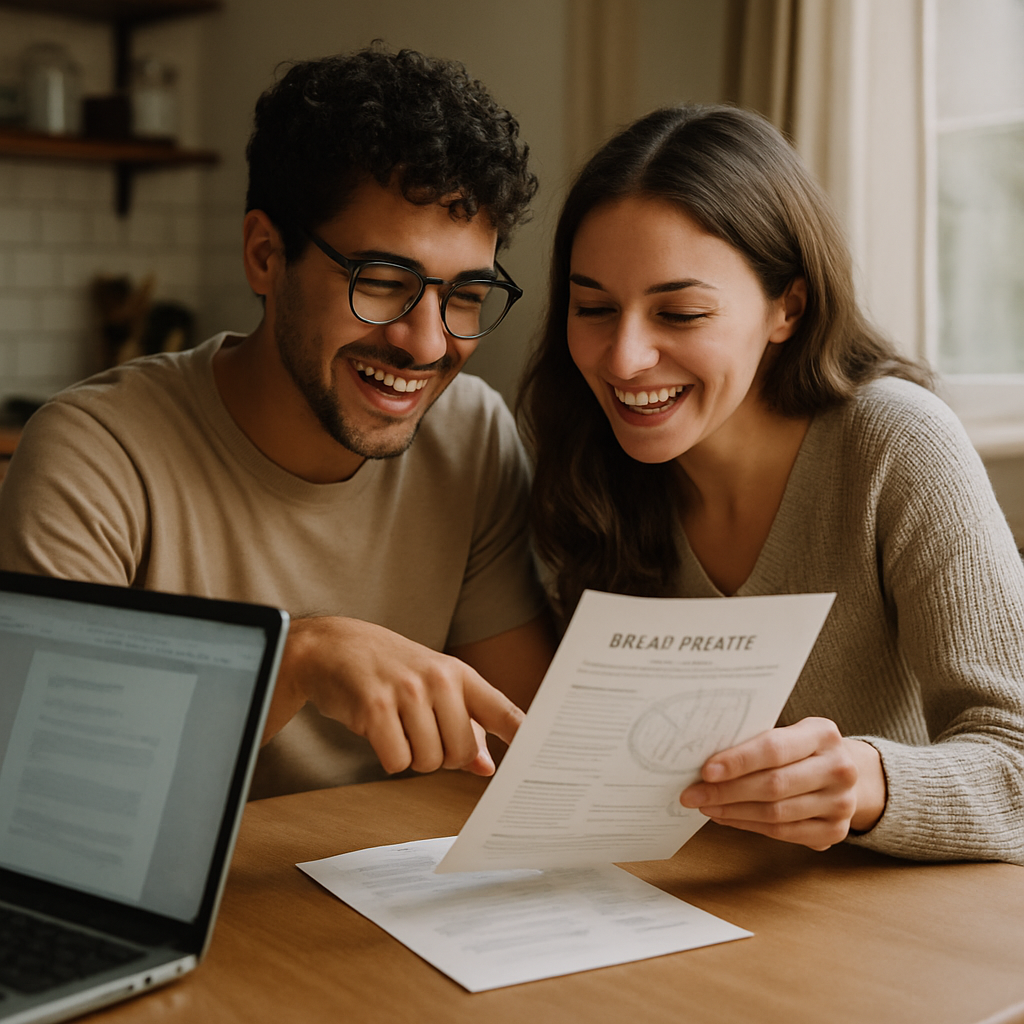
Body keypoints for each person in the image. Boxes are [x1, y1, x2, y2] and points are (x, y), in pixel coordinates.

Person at [0, 46, 556, 798]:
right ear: (265, 256)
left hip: (381, 893)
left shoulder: (472, 437)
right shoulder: (95, 455)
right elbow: (51, 782)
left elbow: (523, 738)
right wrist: (291, 661)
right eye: (383, 282)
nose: (427, 343)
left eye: (466, 296)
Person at [519, 103, 1024, 864]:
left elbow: (1017, 760)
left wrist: (865, 783)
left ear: (787, 305)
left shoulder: (897, 445)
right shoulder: (590, 465)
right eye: (593, 308)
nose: (623, 360)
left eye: (680, 312)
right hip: (693, 914)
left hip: (892, 929)